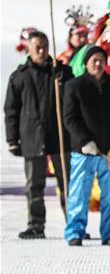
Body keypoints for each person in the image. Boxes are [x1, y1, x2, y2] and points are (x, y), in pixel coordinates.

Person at [5, 31, 72, 239]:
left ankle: (74, 224)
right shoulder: (20, 76)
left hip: (60, 137)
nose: (42, 51)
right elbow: (11, 110)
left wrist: (63, 81)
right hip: (32, 136)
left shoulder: (61, 72)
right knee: (34, 184)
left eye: (45, 46)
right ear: (29, 49)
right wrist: (12, 139)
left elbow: (73, 101)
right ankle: (36, 224)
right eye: (38, 47)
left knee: (67, 183)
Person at [63, 45, 110, 246]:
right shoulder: (74, 86)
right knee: (79, 194)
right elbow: (70, 118)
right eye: (94, 60)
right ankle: (75, 232)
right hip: (83, 152)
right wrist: (84, 141)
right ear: (86, 63)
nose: (98, 64)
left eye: (102, 60)